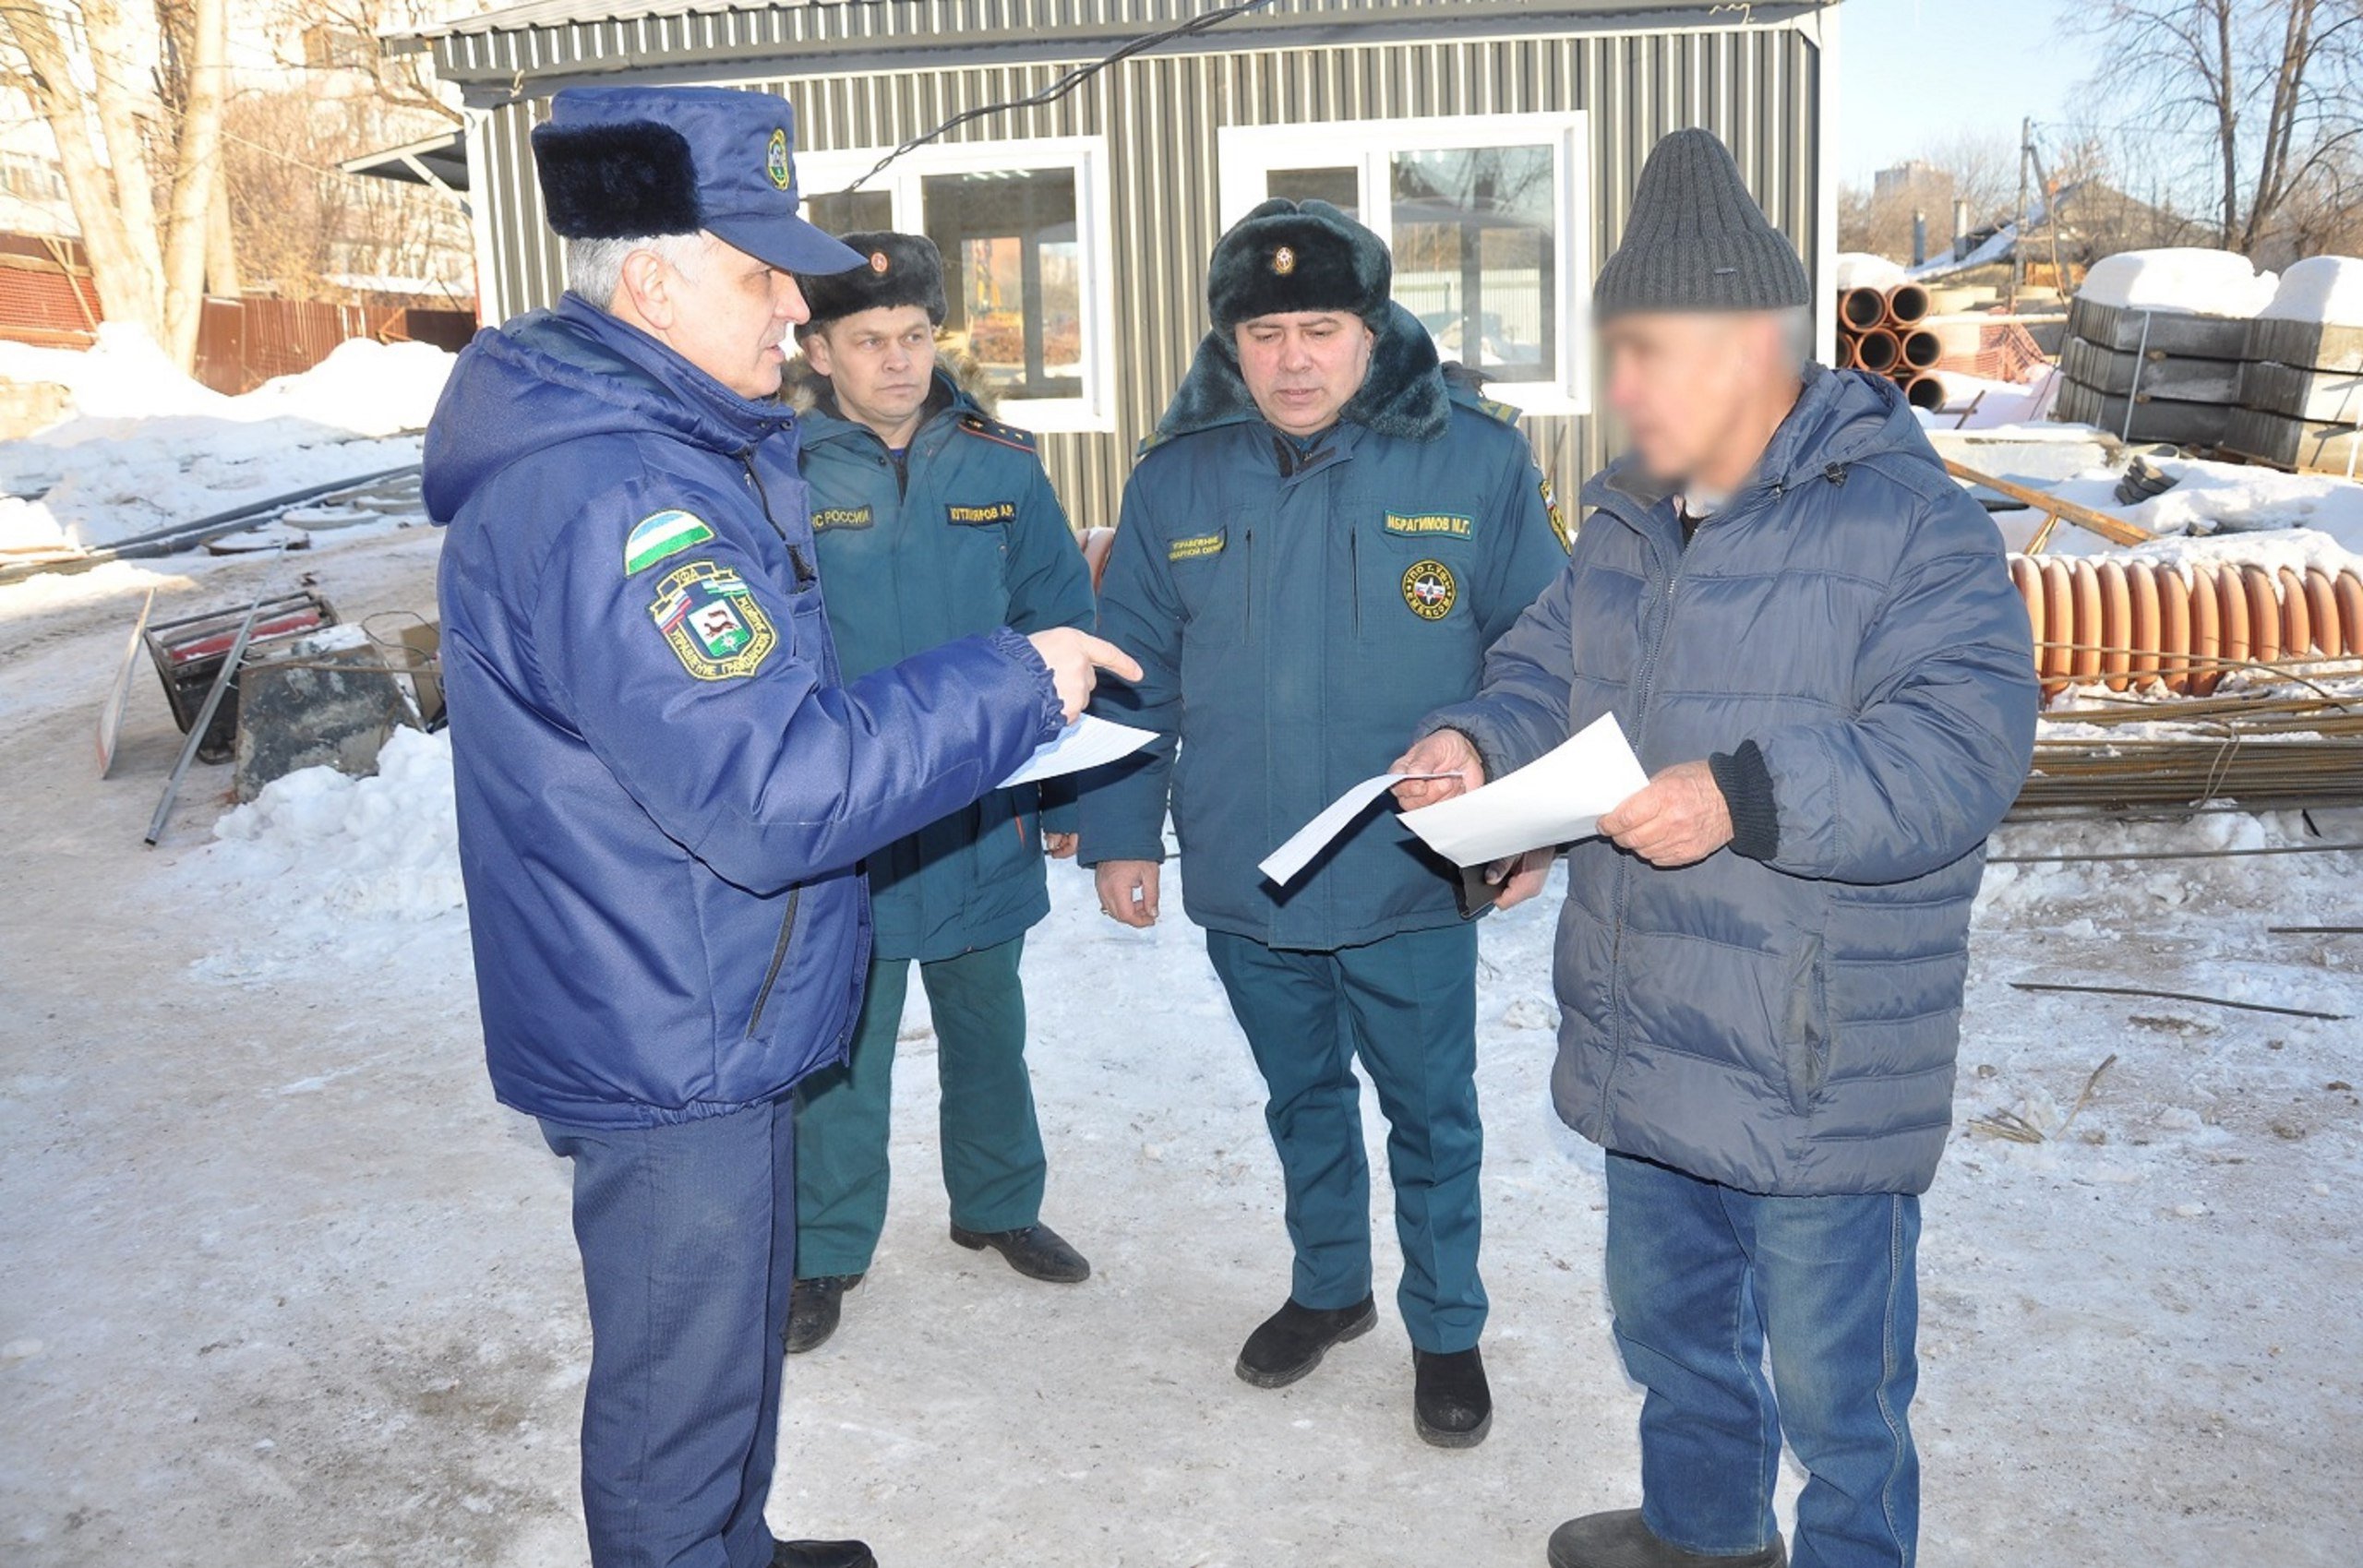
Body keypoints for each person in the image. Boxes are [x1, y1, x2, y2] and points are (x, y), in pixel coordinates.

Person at [425, 85, 1135, 1568]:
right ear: (654, 279)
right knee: (677, 1383)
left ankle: (726, 1540)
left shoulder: (658, 445)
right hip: (667, 1017)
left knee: (728, 1338)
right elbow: (774, 788)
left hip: (695, 989)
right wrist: (1013, 676)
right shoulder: (622, 492)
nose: (788, 312)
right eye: (759, 275)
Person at [1393, 129, 2037, 1568]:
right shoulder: (1626, 515)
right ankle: (1700, 1533)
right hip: (1649, 1028)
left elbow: (1963, 749)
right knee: (1670, 1327)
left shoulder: (1910, 522)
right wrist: (1475, 749)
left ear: (1760, 344)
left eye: (1651, 353)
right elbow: (1541, 674)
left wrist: (1743, 792)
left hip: (1813, 1052)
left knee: (1838, 1389)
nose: (1619, 389)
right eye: (1615, 350)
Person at [1080, 198, 1569, 1448]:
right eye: (1266, 332)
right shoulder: (1177, 474)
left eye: (1322, 327)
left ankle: (1447, 1325)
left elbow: (1546, 652)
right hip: (1252, 869)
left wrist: (1507, 790)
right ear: (1230, 344)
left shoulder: (1475, 460)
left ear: (1374, 328)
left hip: (1409, 869)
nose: (1294, 358)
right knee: (1299, 1096)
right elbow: (1135, 672)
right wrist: (1124, 831)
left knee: (1430, 1110)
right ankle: (1330, 1285)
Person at [779, 231, 1098, 1354]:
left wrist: (1063, 800)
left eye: (914, 336)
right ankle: (823, 1251)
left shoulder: (999, 464)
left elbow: (1065, 625)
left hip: (978, 804)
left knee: (986, 1020)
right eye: (868, 341)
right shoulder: (780, 470)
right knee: (844, 1044)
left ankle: (1000, 1206)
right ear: (818, 350)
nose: (898, 361)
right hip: (849, 810)